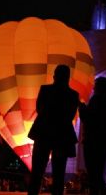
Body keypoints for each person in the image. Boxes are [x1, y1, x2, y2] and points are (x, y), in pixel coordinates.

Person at [27, 64, 80, 195]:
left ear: (54, 76)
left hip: (44, 132)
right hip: (63, 135)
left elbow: (39, 109)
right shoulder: (73, 95)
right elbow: (70, 115)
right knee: (59, 173)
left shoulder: (45, 90)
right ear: (68, 78)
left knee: (37, 171)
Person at [79, 76, 106, 195]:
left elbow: (89, 119)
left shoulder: (96, 100)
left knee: (93, 174)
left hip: (92, 139)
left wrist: (82, 108)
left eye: (95, 85)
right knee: (97, 173)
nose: (93, 88)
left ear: (99, 87)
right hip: (103, 139)